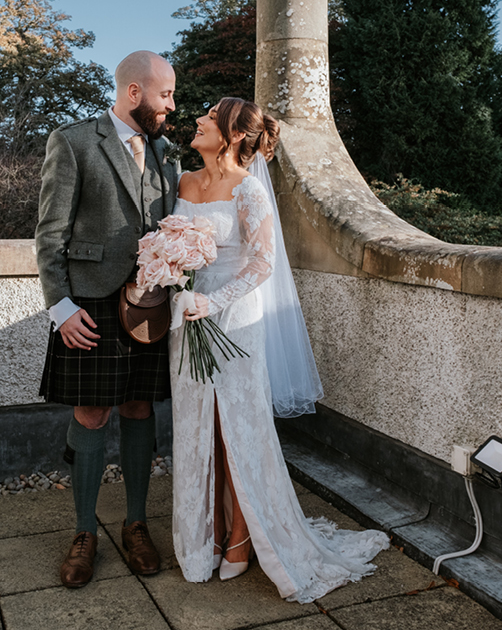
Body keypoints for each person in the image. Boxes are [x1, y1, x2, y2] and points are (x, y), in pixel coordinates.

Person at [168, 97, 388, 601]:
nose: (197, 120)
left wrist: (212, 300)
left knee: (237, 430)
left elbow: (262, 265)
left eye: (208, 116)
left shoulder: (248, 191)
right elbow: (171, 245)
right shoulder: (182, 182)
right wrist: (173, 281)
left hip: (235, 318)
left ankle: (244, 538)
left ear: (231, 134)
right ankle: (203, 538)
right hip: (186, 319)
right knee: (198, 425)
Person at [36, 50, 180, 587]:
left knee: (140, 407)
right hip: (90, 302)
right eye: (165, 94)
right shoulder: (74, 142)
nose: (172, 104)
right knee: (92, 413)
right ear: (134, 92)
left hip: (149, 303)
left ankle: (136, 523)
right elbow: (50, 233)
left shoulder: (167, 152)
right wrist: (60, 306)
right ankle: (83, 532)